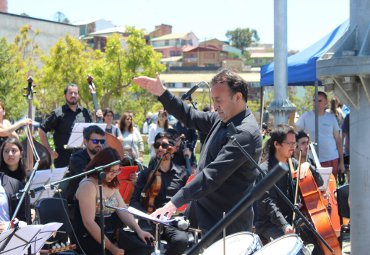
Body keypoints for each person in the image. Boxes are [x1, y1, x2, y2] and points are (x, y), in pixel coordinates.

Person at [134, 68, 262, 236]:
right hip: (202, 215)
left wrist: (174, 202)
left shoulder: (245, 133)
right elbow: (190, 116)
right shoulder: (222, 117)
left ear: (238, 97)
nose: (215, 106)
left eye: (218, 100)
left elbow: (212, 174)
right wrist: (163, 93)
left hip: (225, 224)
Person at [74, 147, 154, 255]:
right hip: (89, 237)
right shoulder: (88, 185)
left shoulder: (111, 184)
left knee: (144, 246)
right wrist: (111, 247)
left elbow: (123, 210)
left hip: (109, 234)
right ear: (100, 168)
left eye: (117, 171)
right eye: (111, 171)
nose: (114, 175)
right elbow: (89, 223)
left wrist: (139, 230)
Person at [130, 132, 189, 255]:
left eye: (164, 145)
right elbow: (134, 201)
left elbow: (189, 199)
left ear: (172, 149)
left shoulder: (182, 173)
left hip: (171, 220)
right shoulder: (146, 174)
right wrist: (147, 216)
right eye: (157, 145)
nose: (160, 148)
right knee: (142, 243)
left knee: (181, 240)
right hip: (149, 220)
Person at [38, 84, 93, 168]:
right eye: (70, 93)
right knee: (65, 181)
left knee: (83, 181)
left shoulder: (86, 113)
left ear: (78, 95)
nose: (73, 95)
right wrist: (49, 150)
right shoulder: (58, 113)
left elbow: (92, 133)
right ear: (65, 95)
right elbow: (41, 129)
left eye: (75, 93)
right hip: (63, 159)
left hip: (83, 157)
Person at [296, 91, 344, 179]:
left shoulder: (331, 117)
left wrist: (342, 162)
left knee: (331, 189)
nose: (316, 103)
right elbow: (295, 131)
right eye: (314, 100)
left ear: (326, 102)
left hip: (332, 159)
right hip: (313, 160)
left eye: (320, 101)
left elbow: (338, 140)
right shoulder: (306, 116)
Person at [62, 125, 105, 203]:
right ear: (85, 142)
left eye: (101, 141)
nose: (99, 144)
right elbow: (89, 177)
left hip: (99, 198)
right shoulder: (76, 158)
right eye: (95, 141)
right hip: (77, 202)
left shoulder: (104, 157)